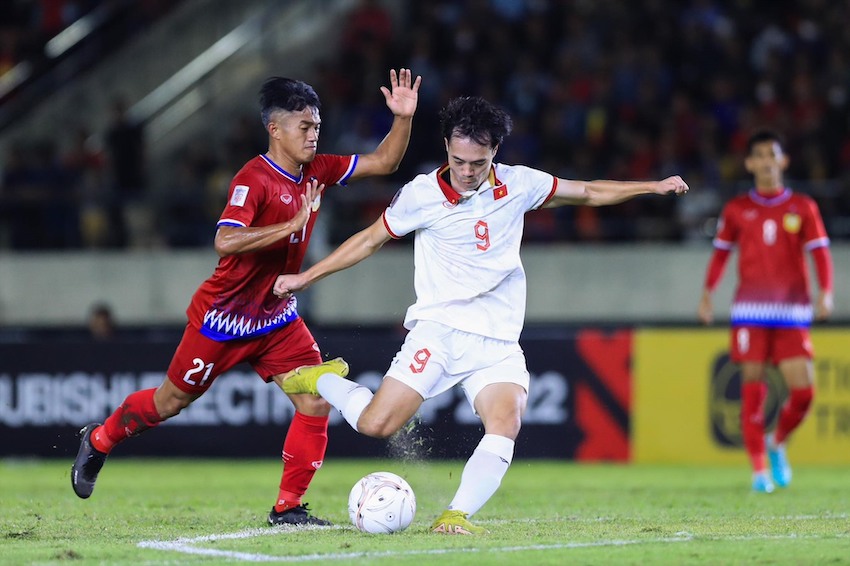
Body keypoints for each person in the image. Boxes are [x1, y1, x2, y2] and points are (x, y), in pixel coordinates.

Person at [272, 96, 689, 534]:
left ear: (495, 154)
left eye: (479, 162)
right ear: (446, 147)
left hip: (497, 340)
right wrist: (306, 278)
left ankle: (455, 515)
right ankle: (322, 377)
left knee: (506, 420)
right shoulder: (421, 194)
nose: (468, 171)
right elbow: (369, 240)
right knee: (377, 424)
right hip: (440, 333)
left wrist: (652, 187)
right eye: (459, 160)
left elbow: (586, 191)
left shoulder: (520, 184)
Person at [71, 68, 422, 526]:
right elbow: (225, 241)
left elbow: (384, 162)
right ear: (275, 129)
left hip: (277, 319)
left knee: (313, 401)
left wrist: (403, 119)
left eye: (317, 126)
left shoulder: (318, 169)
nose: (314, 135)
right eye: (305, 127)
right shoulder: (252, 179)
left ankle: (288, 508)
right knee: (169, 403)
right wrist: (290, 226)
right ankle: (99, 441)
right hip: (223, 320)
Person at [698, 129, 833, 494]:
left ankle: (778, 442)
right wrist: (708, 293)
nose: (767, 162)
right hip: (750, 311)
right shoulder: (737, 209)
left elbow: (820, 252)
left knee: (804, 394)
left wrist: (827, 293)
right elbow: (722, 253)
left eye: (773, 155)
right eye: (759, 156)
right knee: (752, 391)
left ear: (783, 161)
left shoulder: (803, 207)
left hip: (791, 311)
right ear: (750, 163)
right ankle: (759, 470)